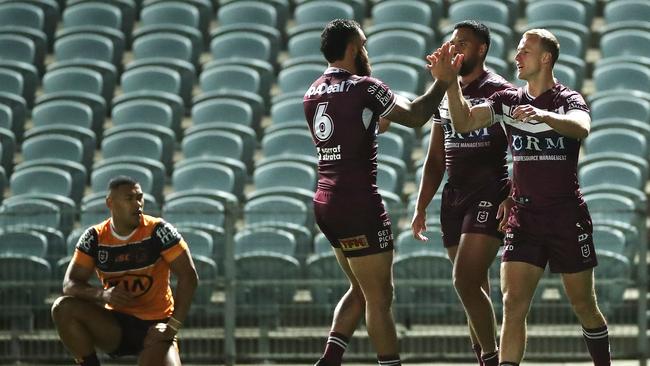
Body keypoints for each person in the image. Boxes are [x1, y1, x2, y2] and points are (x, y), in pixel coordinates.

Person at [429, 29, 612, 366]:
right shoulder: (507, 100)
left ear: (545, 58)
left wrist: (544, 117)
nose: (517, 57)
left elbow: (581, 126)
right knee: (513, 305)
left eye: (525, 51)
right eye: (517, 51)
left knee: (583, 304)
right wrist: (451, 82)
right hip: (524, 218)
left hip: (565, 216)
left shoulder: (567, 99)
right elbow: (464, 121)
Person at [304, 19, 455, 366]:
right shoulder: (363, 87)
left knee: (360, 290)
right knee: (380, 297)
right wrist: (443, 82)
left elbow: (377, 122)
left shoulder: (312, 91)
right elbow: (416, 116)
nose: (367, 50)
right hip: (358, 203)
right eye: (364, 45)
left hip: (326, 203)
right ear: (355, 49)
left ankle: (329, 360)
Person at [411, 20, 513, 366]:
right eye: (452, 43)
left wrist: (513, 192)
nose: (455, 49)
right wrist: (421, 204)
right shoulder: (443, 89)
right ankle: (485, 359)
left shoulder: (499, 90)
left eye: (463, 44)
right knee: (474, 291)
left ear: (481, 49)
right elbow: (436, 155)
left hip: (490, 191)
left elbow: (523, 149)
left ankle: (493, 358)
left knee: (465, 281)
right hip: (454, 196)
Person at [51, 176, 199, 366]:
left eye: (140, 197)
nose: (138, 204)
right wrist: (102, 294)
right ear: (110, 203)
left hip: (157, 325)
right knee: (62, 307)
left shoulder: (159, 231)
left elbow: (189, 276)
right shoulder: (94, 237)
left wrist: (172, 328)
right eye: (129, 199)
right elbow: (69, 284)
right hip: (115, 325)